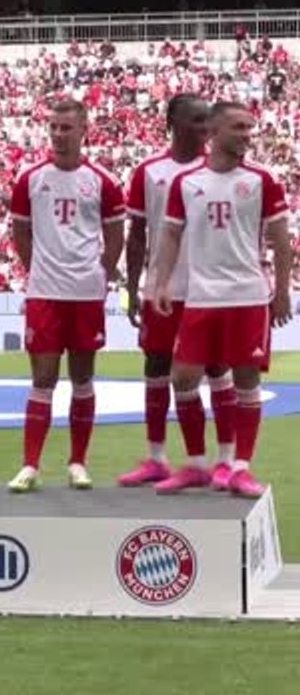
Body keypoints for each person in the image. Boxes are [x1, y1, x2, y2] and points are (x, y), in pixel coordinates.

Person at [148, 101, 292, 497]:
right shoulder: (187, 183)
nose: (247, 134)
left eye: (250, 127)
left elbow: (281, 241)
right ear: (213, 131)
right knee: (183, 377)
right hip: (200, 298)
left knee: (246, 380)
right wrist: (160, 283)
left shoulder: (263, 180)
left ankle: (239, 466)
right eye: (238, 127)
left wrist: (281, 291)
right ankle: (196, 464)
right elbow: (171, 234)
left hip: (247, 296)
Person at [5, 100, 125, 492]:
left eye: (66, 128)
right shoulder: (30, 178)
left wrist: (100, 273)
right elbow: (20, 233)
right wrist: (36, 269)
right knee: (42, 378)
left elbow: (115, 235)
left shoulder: (102, 181)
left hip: (86, 294)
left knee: (82, 377)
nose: (58, 134)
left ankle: (77, 462)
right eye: (53, 127)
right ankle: (29, 465)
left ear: (83, 129)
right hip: (44, 293)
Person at [119, 95, 238, 488]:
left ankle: (224, 460)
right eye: (196, 120)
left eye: (207, 121)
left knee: (218, 369)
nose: (204, 128)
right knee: (155, 367)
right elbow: (137, 234)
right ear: (172, 121)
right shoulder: (149, 172)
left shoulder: (220, 170)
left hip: (210, 288)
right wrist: (134, 286)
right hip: (163, 288)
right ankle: (156, 458)